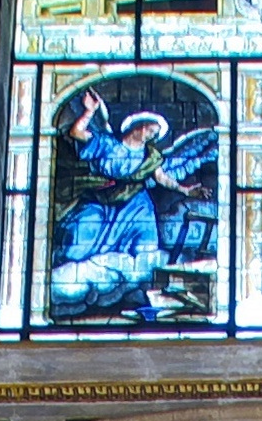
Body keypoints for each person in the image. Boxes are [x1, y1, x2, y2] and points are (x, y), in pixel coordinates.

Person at [48, 93, 219, 322]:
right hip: (102, 203)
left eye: (156, 133)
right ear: (137, 126)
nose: (152, 135)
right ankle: (71, 289)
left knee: (145, 252)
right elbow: (76, 133)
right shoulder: (107, 144)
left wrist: (186, 191)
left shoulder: (150, 156)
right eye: (150, 129)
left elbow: (161, 178)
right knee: (77, 244)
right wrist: (90, 111)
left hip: (136, 206)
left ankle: (133, 294)